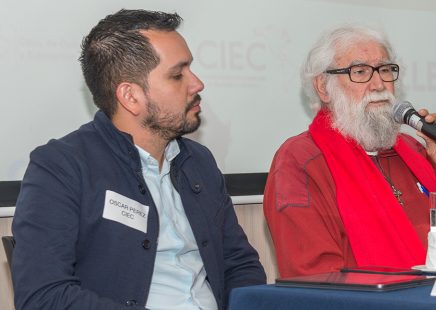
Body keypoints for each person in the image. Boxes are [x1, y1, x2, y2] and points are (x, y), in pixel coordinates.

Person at [11, 9, 266, 309]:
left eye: (191, 69)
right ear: (130, 97)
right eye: (177, 75)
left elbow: (240, 265)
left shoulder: (198, 161)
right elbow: (43, 297)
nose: (197, 84)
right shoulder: (61, 168)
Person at [263, 25, 436, 277]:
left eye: (385, 69)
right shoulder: (300, 161)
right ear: (323, 87)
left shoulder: (416, 150)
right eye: (360, 72)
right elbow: (315, 277)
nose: (379, 84)